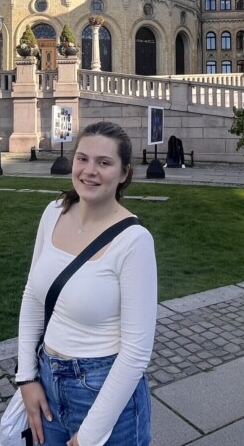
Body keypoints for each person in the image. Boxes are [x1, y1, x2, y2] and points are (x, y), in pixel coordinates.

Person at [15, 121, 157, 446]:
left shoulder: (134, 241)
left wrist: (90, 435)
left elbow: (136, 353)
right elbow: (33, 297)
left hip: (103, 391)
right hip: (47, 381)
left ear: (124, 173)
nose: (89, 171)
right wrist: (26, 377)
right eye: (82, 159)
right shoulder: (54, 212)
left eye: (104, 163)